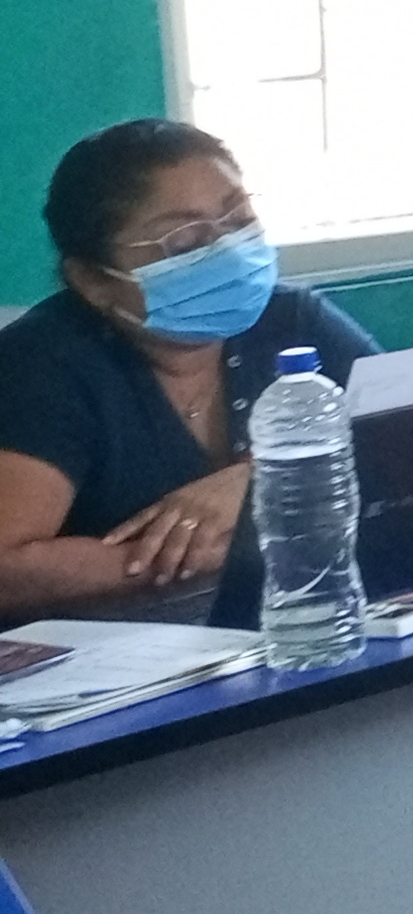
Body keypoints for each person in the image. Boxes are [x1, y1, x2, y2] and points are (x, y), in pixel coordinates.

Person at [0, 120, 374, 628]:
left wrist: (260, 480)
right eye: (185, 243)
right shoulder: (43, 364)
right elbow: (8, 569)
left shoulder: (290, 320)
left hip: (288, 625)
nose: (229, 250)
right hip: (112, 658)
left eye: (239, 219)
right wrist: (228, 547)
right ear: (92, 280)